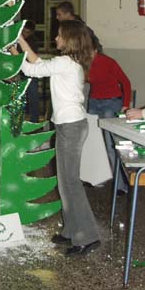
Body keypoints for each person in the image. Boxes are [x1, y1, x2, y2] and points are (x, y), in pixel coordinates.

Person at [12, 19, 100, 256]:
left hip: (71, 127)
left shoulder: (64, 62)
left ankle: (88, 236)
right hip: (69, 125)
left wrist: (15, 52)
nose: (56, 38)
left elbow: (32, 70)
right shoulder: (69, 62)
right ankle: (71, 230)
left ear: (69, 39)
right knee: (65, 181)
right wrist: (20, 42)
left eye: (59, 35)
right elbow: (39, 63)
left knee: (71, 182)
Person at [88, 51, 132, 194]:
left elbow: (125, 82)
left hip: (111, 103)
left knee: (110, 145)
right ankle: (97, 177)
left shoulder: (108, 61)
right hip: (94, 102)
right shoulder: (84, 60)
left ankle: (121, 184)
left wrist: (125, 104)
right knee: (93, 143)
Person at [21, 20, 40, 122]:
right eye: (23, 31)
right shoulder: (16, 39)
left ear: (31, 32)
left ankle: (34, 121)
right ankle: (20, 122)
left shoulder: (33, 42)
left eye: (27, 32)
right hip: (18, 72)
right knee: (20, 98)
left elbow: (33, 61)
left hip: (31, 72)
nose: (24, 34)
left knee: (33, 97)